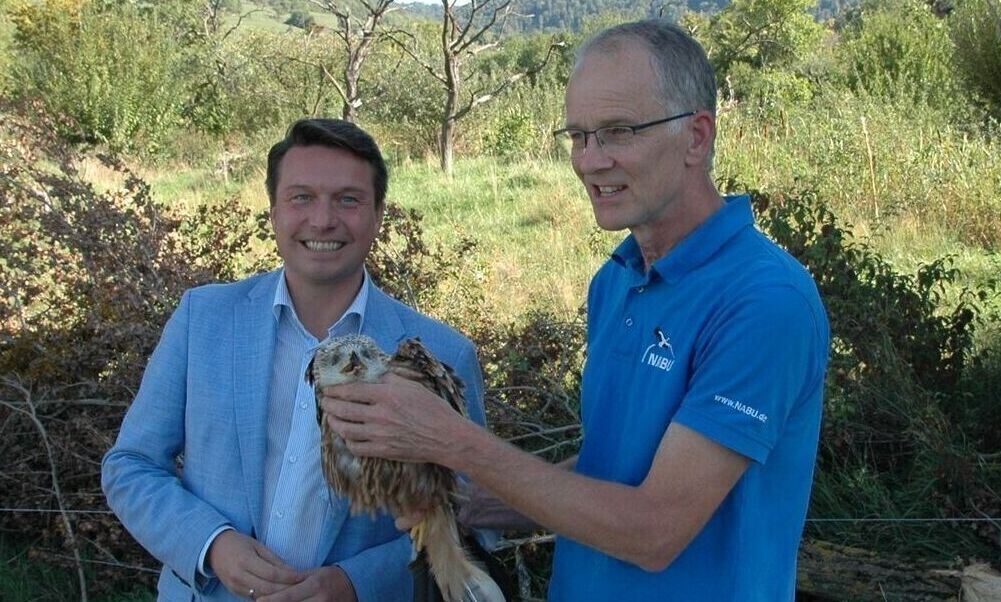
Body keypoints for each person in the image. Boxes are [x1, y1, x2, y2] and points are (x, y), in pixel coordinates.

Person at [321, 20, 831, 601]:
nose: (589, 161)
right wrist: (474, 502)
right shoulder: (616, 281)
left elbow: (654, 530)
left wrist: (452, 440)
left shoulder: (765, 301)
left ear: (696, 136)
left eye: (618, 132)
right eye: (578, 135)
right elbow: (609, 471)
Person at [102, 118, 487, 602]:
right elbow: (131, 466)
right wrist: (212, 545)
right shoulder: (203, 320)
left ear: (378, 216)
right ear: (274, 213)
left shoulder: (442, 355)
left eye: (348, 199)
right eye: (301, 197)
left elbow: (475, 517)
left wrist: (357, 583)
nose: (322, 220)